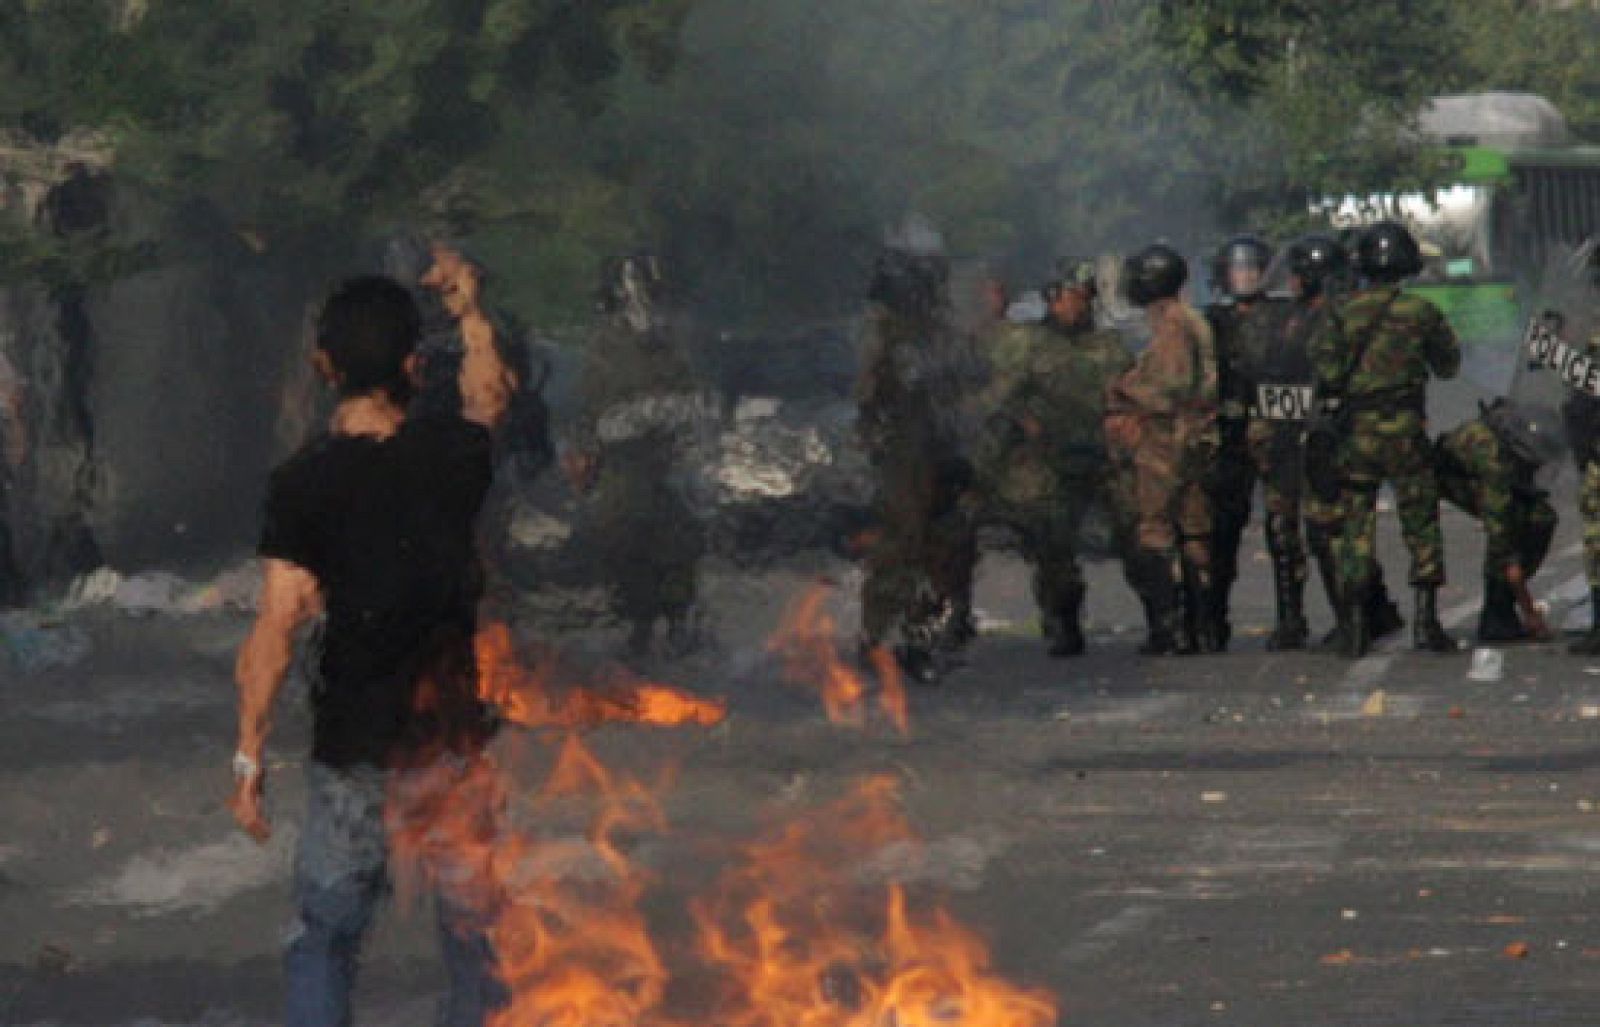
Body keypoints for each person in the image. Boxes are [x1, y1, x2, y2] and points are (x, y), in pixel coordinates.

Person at [227, 276, 506, 1025]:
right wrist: (470, 307)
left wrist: (248, 757)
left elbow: (274, 632)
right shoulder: (453, 457)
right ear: (416, 366)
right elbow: (489, 394)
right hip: (448, 748)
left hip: (351, 754)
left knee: (324, 941)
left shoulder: (303, 484)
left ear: (325, 365)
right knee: (474, 940)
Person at [1311, 221, 1461, 657]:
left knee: (1355, 523)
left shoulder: (1341, 313)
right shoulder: (1421, 312)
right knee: (1420, 521)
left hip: (1357, 433)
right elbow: (1448, 366)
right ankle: (1427, 621)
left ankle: (1355, 623)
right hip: (1406, 432)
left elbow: (1327, 374)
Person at [974, 261, 1132, 655]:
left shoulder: (1109, 346)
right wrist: (1020, 422)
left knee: (1140, 539)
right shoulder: (1029, 345)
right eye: (1068, 297)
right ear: (1052, 299)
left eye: (1083, 297)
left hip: (1104, 455)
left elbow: (1132, 390)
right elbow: (998, 397)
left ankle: (1168, 623)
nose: (1076, 306)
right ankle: (1063, 622)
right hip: (1051, 461)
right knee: (1055, 548)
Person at [569, 253, 711, 658]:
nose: (642, 292)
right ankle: (638, 624)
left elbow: (692, 397)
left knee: (678, 542)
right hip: (624, 465)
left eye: (648, 283)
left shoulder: (671, 341)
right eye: (634, 283)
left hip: (667, 461)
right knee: (628, 540)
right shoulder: (608, 345)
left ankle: (678, 620)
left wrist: (678, 413)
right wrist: (619, 425)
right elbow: (592, 411)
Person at [855, 227, 968, 681]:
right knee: (899, 547)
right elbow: (869, 395)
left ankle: (921, 638)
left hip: (940, 446)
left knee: (940, 548)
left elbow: (966, 379)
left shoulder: (940, 327)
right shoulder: (883, 329)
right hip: (902, 452)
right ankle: (880, 638)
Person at [1288, 236, 1406, 651]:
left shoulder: (1330, 318)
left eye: (1299, 275)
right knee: (1343, 525)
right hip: (1348, 428)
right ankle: (1374, 610)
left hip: (1336, 430)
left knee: (1329, 528)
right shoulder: (1338, 311)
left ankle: (1354, 619)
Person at [1105, 243, 1220, 655]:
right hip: (1193, 437)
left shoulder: (1172, 324)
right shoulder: (1188, 320)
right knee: (1194, 529)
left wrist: (1124, 392)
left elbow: (1170, 385)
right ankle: (1201, 625)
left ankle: (1169, 628)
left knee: (1156, 530)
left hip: (1167, 439)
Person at [1203, 234, 1284, 649]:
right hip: (1229, 435)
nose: (1246, 276)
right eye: (1239, 268)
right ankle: (1213, 617)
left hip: (1274, 431)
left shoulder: (1283, 317)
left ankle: (1291, 618)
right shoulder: (1212, 322)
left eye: (1253, 268)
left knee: (1283, 527)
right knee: (1222, 529)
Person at [1435, 399, 1559, 642]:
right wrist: (1529, 611)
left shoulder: (1509, 431)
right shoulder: (1495, 465)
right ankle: (1497, 615)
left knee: (1541, 517)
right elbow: (1501, 536)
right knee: (1512, 527)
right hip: (1449, 480)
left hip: (1474, 475)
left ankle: (1501, 609)